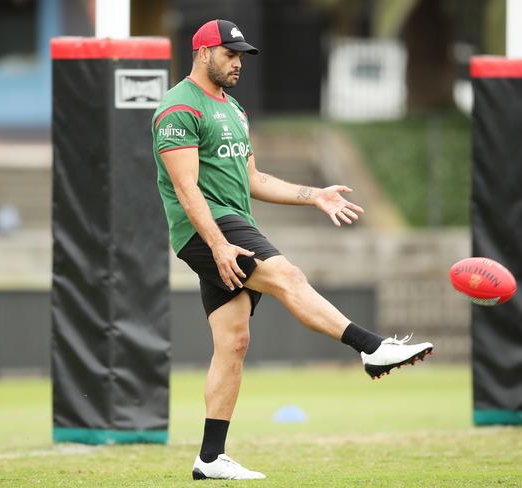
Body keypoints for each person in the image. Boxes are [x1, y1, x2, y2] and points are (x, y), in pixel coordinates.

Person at [151, 19, 434, 481]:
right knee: (290, 277)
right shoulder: (178, 109)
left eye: (242, 55)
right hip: (208, 230)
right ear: (203, 53)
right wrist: (219, 246)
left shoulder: (235, 110)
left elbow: (253, 180)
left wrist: (314, 194)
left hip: (230, 225)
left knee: (233, 342)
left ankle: (209, 458)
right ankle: (371, 346)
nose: (238, 62)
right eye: (229, 53)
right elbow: (186, 190)